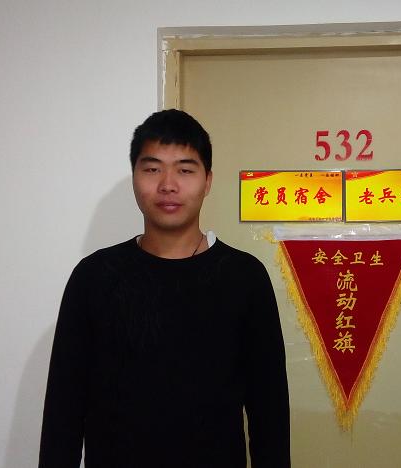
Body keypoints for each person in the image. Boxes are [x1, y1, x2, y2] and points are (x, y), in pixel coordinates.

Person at [39, 109, 291, 467]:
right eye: (152, 169)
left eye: (185, 170)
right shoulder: (94, 277)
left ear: (208, 181)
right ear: (134, 177)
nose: (168, 185)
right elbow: (63, 412)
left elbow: (270, 413)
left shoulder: (244, 278)